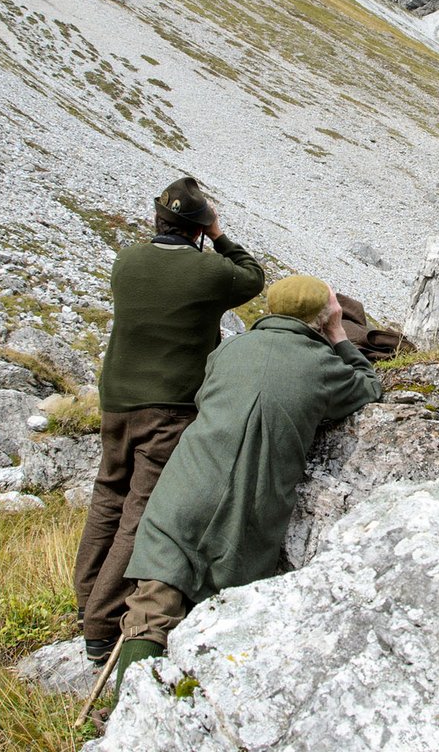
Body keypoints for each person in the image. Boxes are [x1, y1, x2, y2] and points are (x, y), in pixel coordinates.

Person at [109, 274, 382, 689]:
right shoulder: (323, 366)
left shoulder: (229, 349)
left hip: (185, 486)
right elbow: (369, 387)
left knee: (152, 608)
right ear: (322, 319)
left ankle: (126, 716)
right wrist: (341, 336)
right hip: (248, 505)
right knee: (223, 616)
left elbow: (205, 400)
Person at [72, 177, 264, 667]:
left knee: (107, 496)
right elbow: (252, 276)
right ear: (197, 228)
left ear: (158, 219)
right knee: (142, 510)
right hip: (168, 407)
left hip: (116, 400)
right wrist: (219, 235)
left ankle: (85, 601)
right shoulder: (207, 272)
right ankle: (102, 625)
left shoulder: (127, 261)